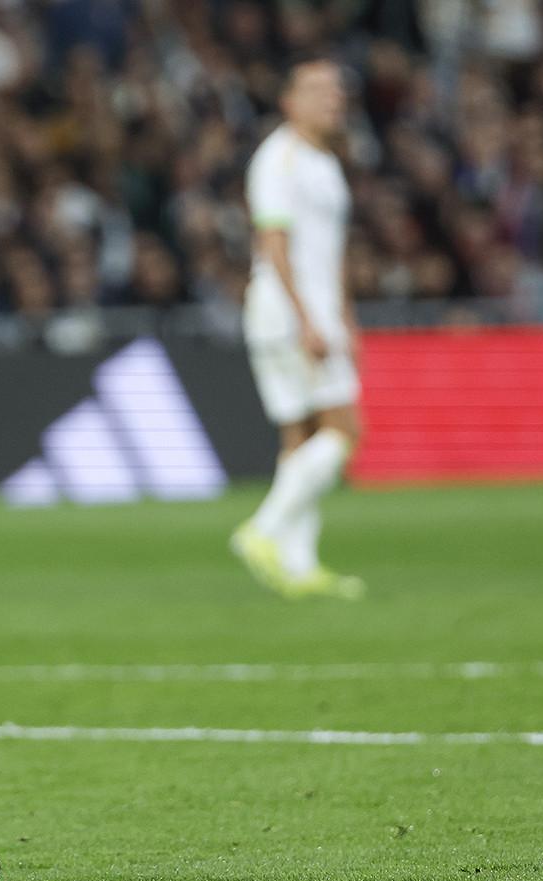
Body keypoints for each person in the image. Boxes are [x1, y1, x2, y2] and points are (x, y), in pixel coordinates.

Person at [231, 59, 366, 600]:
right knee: (344, 431)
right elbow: (274, 244)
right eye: (318, 89)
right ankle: (262, 530)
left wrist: (345, 315)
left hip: (310, 313)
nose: (333, 98)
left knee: (300, 439)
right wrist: (309, 319)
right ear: (289, 101)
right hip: (288, 314)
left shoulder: (324, 161)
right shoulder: (278, 159)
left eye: (336, 88)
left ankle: (299, 565)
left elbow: (332, 253)